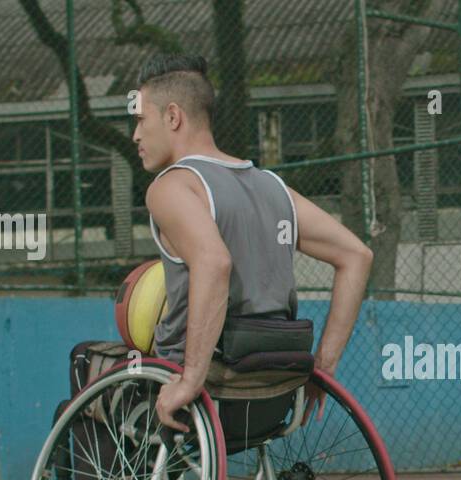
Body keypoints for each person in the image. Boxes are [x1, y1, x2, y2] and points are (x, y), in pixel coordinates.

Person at [132, 54, 373, 433]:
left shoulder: (172, 186)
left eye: (141, 120)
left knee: (87, 362)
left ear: (173, 117)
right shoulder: (272, 187)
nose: (136, 135)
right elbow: (356, 255)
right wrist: (323, 369)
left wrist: (191, 379)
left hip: (207, 385)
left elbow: (214, 263)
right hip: (275, 384)